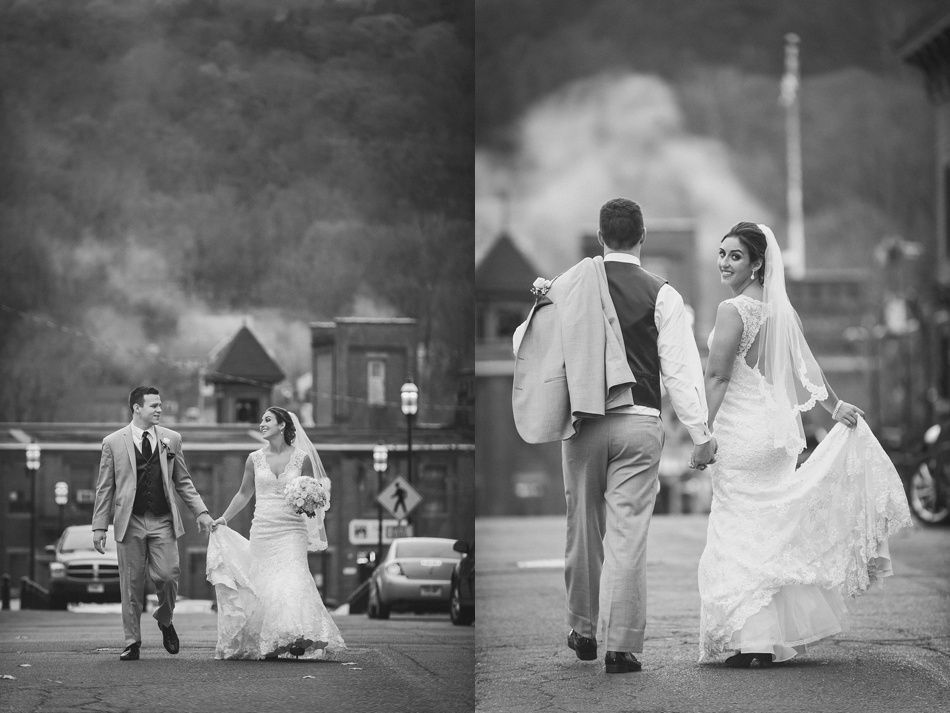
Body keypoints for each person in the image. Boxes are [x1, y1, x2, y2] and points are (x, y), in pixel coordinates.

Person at [512, 198, 716, 673]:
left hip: (583, 423)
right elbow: (682, 374)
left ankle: (582, 630)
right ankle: (621, 647)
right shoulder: (662, 294)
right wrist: (700, 433)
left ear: (601, 238)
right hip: (640, 420)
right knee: (628, 535)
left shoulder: (569, 287)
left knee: (582, 527)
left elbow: (525, 344)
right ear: (642, 237)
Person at [697, 222, 913, 667]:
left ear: (757, 263)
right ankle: (766, 639)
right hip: (775, 435)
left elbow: (717, 377)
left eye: (734, 255)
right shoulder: (778, 311)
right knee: (770, 533)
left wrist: (702, 434)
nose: (724, 262)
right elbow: (806, 368)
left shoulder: (731, 309)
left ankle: (754, 641)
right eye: (721, 254)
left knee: (738, 532)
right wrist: (834, 407)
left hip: (741, 435)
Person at [206, 406, 345, 660]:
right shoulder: (253, 459)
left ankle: (296, 635)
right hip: (263, 529)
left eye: (267, 420)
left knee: (293, 577)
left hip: (292, 529)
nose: (262, 423)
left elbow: (317, 494)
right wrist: (224, 518)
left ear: (282, 425)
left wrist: (309, 500)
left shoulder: (302, 458)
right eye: (261, 420)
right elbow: (244, 493)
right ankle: (271, 638)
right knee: (265, 583)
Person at [92, 386, 214, 662]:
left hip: (162, 521)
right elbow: (105, 488)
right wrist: (99, 526)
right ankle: (132, 641)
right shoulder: (113, 442)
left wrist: (201, 512)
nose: (159, 409)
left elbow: (183, 481)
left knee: (169, 575)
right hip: (129, 522)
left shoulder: (172, 439)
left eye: (160, 405)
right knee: (131, 585)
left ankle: (165, 618)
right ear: (137, 408)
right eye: (153, 405)